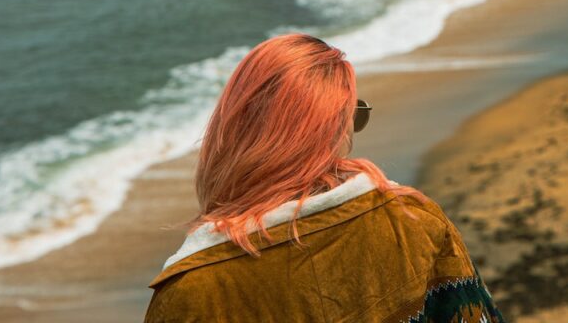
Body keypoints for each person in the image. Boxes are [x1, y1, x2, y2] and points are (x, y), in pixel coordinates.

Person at [143, 32, 506, 322]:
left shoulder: (194, 289)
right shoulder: (414, 220)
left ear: (232, 128)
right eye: (352, 117)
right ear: (334, 132)